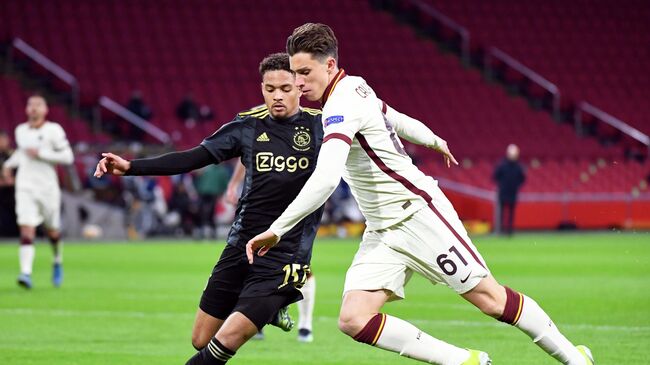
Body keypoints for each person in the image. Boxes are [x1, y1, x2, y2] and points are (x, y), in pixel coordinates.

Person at [247, 23, 594, 365]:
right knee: (354, 319)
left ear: (330, 65)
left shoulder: (340, 105)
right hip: (383, 229)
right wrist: (432, 139)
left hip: (416, 214)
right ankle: (463, 361)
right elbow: (393, 117)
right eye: (295, 73)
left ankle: (575, 358)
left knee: (491, 299)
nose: (298, 82)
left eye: (305, 72)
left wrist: (278, 228)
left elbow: (326, 180)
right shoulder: (354, 88)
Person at [225, 160, 316, 343]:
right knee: (252, 258)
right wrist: (234, 183)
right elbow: (249, 151)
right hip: (262, 201)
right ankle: (257, 318)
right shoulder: (260, 133)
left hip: (297, 200)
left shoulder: (311, 133)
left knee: (300, 265)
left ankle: (305, 324)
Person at [2, 94, 74, 289]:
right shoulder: (21, 131)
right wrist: (8, 165)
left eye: (38, 105)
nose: (34, 108)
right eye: (30, 105)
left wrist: (41, 154)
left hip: (47, 188)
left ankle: (57, 260)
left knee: (52, 230)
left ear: (45, 110)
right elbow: (21, 154)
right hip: (25, 187)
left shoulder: (53, 130)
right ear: (26, 109)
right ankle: (26, 273)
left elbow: (67, 156)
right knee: (26, 228)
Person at [493, 144, 526, 235]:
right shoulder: (502, 165)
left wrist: (516, 186)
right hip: (503, 192)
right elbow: (495, 176)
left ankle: (510, 231)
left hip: (513, 192)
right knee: (502, 212)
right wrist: (501, 185)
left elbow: (522, 178)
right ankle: (501, 230)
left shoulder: (518, 166)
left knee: (511, 213)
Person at [0, 130, 19, 237]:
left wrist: (13, 180)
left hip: (15, 195)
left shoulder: (14, 156)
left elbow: (24, 174)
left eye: (3, 139)